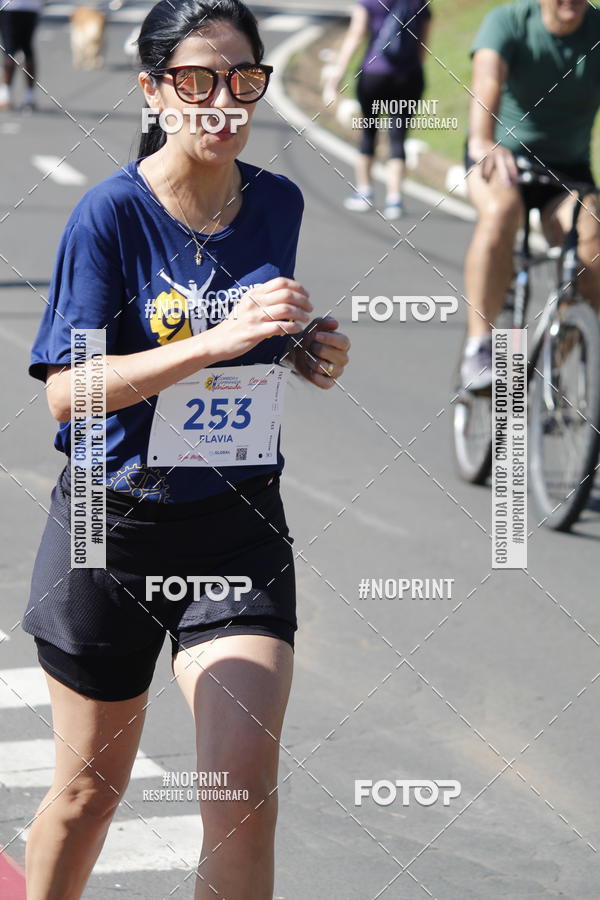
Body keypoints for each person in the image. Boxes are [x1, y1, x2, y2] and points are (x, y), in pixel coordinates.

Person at [22, 1, 351, 897]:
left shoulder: (275, 201)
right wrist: (210, 342)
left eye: (243, 80)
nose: (222, 103)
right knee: (90, 793)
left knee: (242, 794)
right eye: (196, 81)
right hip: (108, 524)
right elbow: (69, 392)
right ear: (154, 91)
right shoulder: (110, 217)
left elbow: (247, 337)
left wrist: (299, 346)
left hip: (237, 529)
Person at [461, 0, 600, 391]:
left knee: (593, 253)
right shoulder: (508, 22)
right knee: (501, 213)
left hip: (567, 173)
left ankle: (552, 365)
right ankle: (480, 346)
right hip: (504, 160)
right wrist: (483, 139)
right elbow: (488, 79)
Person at [325, 0, 432, 219]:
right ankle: (395, 199)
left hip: (374, 74)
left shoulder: (369, 2)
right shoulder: (419, 2)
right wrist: (412, 68)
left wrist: (337, 75)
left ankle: (365, 192)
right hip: (409, 77)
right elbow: (423, 43)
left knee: (368, 130)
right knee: (398, 136)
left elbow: (355, 36)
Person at [0, 0, 43, 110]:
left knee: (10, 50)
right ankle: (30, 96)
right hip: (32, 7)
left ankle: (6, 96)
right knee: (27, 49)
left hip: (10, 7)